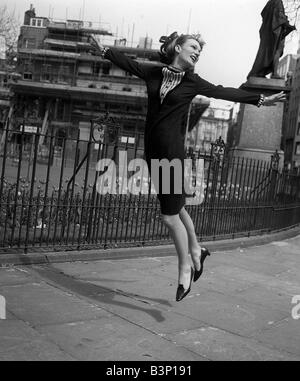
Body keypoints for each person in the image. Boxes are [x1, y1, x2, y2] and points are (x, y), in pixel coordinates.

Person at [90, 32, 286, 301]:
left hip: (171, 153)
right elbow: (129, 64)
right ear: (177, 47)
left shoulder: (192, 82)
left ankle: (185, 268)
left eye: (199, 50)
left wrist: (261, 100)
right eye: (193, 47)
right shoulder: (155, 74)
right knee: (177, 206)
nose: (197, 52)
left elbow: (223, 91)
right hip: (153, 152)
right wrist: (104, 52)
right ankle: (197, 250)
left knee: (169, 217)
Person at [247, 0, 296, 79]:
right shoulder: (278, 1)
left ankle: (262, 72)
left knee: (269, 53)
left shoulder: (271, 2)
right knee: (277, 50)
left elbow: (265, 14)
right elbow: (279, 16)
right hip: (276, 31)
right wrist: (288, 25)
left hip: (270, 32)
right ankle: (274, 73)